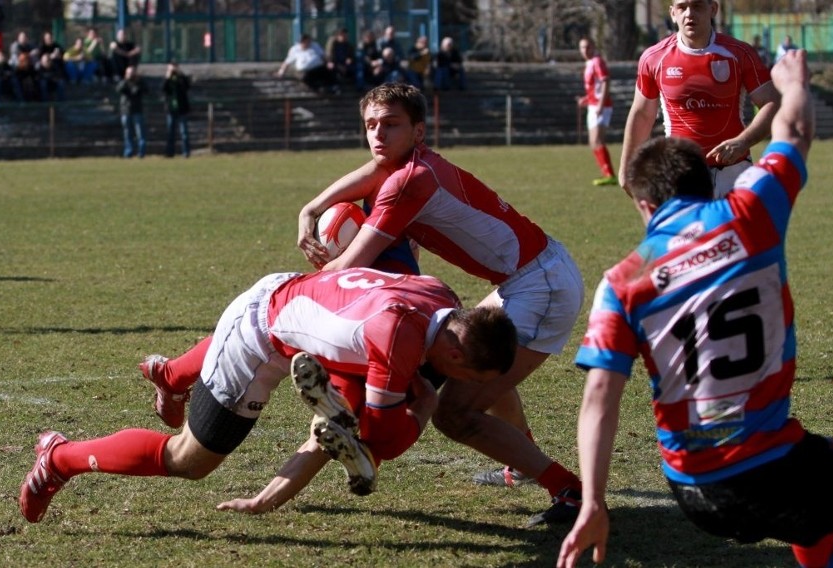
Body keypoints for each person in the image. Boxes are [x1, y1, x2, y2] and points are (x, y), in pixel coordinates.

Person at [136, 83, 586, 526]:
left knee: (455, 413)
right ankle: (525, 462)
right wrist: (311, 208)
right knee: (472, 357)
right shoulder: (414, 166)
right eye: (371, 125)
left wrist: (308, 292)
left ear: (419, 131)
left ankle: (568, 490)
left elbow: (352, 263)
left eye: (391, 125)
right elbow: (375, 170)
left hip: (538, 285)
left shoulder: (409, 183)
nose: (378, 135)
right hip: (535, 275)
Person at [557, 50, 833, 568]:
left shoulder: (620, 282)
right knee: (821, 488)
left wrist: (595, 502)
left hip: (693, 488)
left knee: (820, 492)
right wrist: (794, 82)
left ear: (645, 204)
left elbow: (599, 396)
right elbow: (795, 131)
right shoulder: (752, 213)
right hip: (771, 466)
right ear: (704, 181)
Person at [19, 268, 518, 523]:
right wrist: (426, 406)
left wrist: (271, 496)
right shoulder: (397, 341)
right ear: (454, 354)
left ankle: (173, 377)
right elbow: (386, 441)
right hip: (260, 338)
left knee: (348, 418)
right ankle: (58, 458)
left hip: (299, 306)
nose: (469, 390)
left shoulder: (445, 298)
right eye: (471, 378)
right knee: (189, 460)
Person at [618, 0, 779, 199]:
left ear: (713, 9)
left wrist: (743, 142)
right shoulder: (653, 58)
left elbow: (772, 103)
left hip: (734, 173)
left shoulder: (740, 53)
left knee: (736, 231)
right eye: (682, 7)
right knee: (689, 232)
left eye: (697, 6)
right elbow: (642, 114)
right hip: (680, 174)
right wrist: (626, 168)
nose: (689, 14)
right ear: (672, 13)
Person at [576, 37, 617, 187]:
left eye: (587, 47)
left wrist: (600, 104)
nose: (585, 50)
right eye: (582, 48)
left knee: (597, 139)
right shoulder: (589, 64)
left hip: (602, 106)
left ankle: (609, 174)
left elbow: (605, 81)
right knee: (593, 141)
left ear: (593, 46)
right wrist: (585, 99)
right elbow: (595, 89)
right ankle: (606, 173)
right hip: (593, 105)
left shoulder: (597, 62)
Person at [116, 65, 148, 158]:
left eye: (132, 73)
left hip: (137, 110)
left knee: (140, 133)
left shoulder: (139, 82)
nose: (131, 75)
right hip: (126, 111)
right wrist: (126, 80)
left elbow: (146, 90)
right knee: (127, 134)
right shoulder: (124, 83)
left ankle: (141, 152)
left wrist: (138, 81)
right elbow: (118, 89)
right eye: (129, 73)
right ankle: (128, 152)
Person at [162, 60, 191, 158]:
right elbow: (163, 89)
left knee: (184, 133)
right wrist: (168, 77)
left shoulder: (181, 78)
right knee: (170, 132)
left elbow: (187, 86)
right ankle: (170, 153)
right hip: (171, 109)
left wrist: (180, 74)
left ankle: (186, 152)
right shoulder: (168, 79)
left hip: (182, 109)